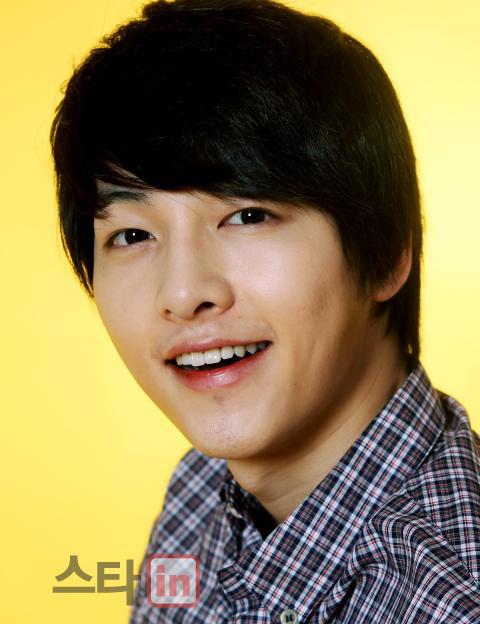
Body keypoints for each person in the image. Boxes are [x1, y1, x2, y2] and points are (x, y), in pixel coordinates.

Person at [50, 0, 480, 621]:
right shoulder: (201, 494)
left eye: (247, 216)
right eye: (133, 235)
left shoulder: (449, 599)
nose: (183, 294)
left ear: (386, 251)